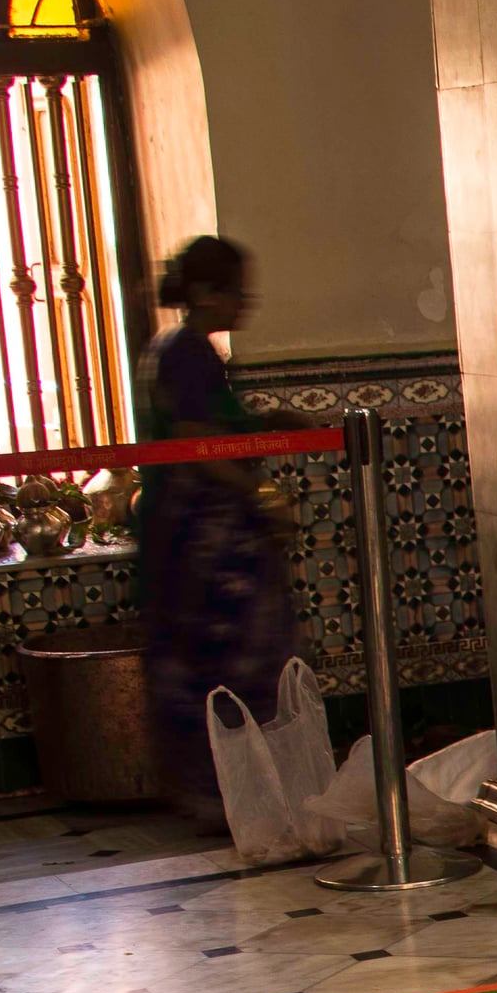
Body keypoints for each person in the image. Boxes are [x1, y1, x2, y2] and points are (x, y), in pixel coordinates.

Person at [136, 237, 303, 825]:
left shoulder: (176, 347)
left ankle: (226, 791)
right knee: (230, 663)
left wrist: (267, 423)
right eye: (238, 290)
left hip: (182, 534)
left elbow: (211, 425)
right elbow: (196, 444)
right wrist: (259, 494)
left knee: (202, 663)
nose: (245, 304)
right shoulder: (188, 353)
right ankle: (229, 792)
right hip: (205, 543)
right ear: (209, 292)